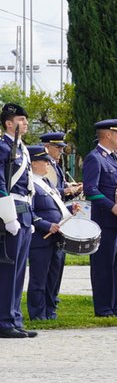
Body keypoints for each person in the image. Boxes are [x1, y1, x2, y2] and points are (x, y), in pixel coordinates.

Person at [83, 118, 117, 318]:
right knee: (104, 267)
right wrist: (112, 207)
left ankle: (114, 306)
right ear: (108, 134)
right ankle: (103, 307)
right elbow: (90, 190)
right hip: (106, 221)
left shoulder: (115, 158)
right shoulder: (95, 158)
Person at [28, 144, 76, 321]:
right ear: (34, 163)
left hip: (56, 237)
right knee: (39, 278)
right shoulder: (29, 183)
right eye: (45, 161)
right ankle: (37, 313)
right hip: (41, 238)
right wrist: (46, 225)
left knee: (53, 277)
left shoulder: (47, 182)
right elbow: (28, 212)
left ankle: (50, 311)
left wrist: (70, 209)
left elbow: (55, 207)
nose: (49, 164)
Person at [0, 103, 37, 338]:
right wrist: (9, 216)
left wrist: (29, 216)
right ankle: (4, 321)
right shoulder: (3, 147)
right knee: (8, 270)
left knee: (20, 270)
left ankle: (14, 317)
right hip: (10, 211)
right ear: (8, 123)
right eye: (20, 120)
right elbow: (1, 183)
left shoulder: (21, 148)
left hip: (24, 210)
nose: (25, 123)